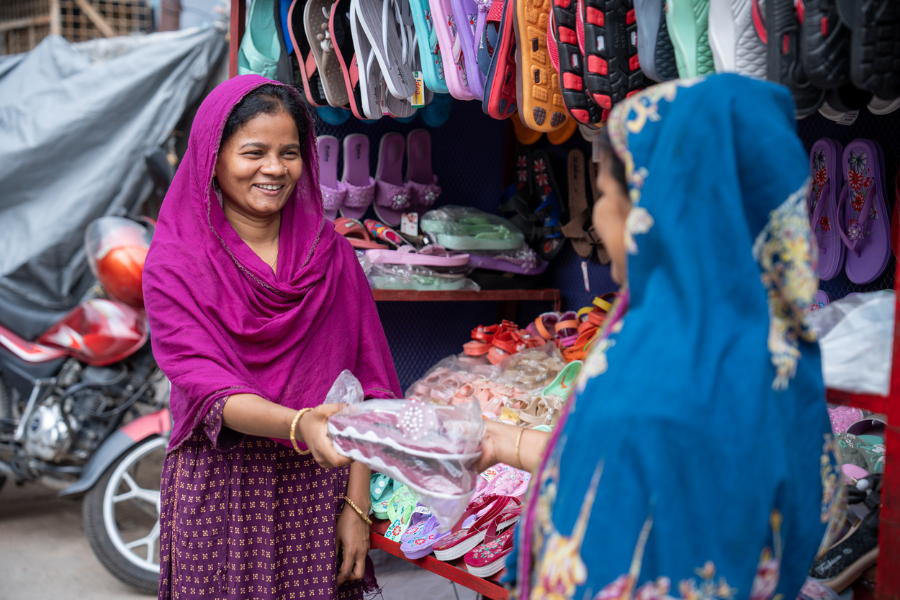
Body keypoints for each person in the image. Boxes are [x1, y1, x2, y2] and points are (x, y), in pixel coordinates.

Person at [475, 75, 843, 600]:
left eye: (604, 194)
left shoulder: (651, 374)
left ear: (655, 211)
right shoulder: (782, 351)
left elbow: (602, 531)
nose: (599, 219)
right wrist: (501, 441)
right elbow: (817, 514)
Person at [143, 75, 401, 600]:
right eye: (254, 151)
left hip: (320, 489)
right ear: (212, 158)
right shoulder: (175, 264)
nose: (274, 169)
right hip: (222, 489)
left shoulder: (331, 257)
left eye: (290, 152)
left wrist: (356, 505)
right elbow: (209, 387)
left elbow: (371, 387)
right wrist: (300, 423)